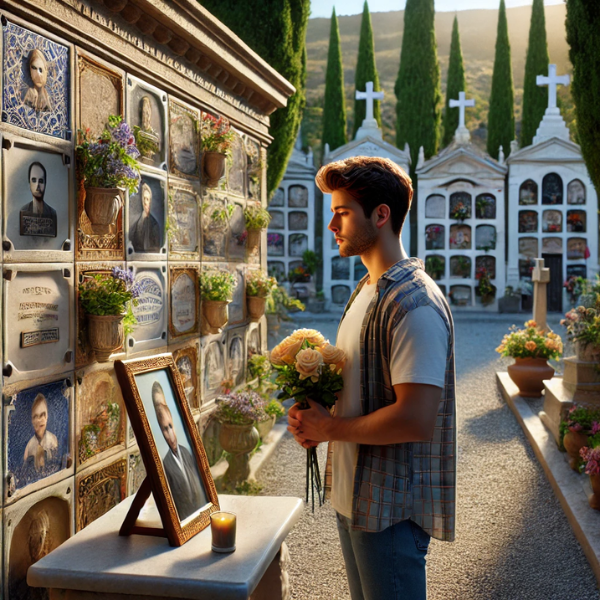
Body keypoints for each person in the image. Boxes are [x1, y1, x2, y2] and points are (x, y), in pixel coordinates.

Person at [287, 156, 456, 600]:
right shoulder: (367, 289)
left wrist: (331, 428)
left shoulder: (414, 303)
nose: (332, 225)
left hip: (391, 511)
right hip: (356, 496)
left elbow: (415, 419)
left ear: (381, 215)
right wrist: (314, 413)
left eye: (342, 213)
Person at [151, 381, 207, 521]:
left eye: (171, 426)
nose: (171, 435)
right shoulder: (165, 464)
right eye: (165, 429)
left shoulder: (187, 453)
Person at [20, 161, 57, 237]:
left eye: (41, 181)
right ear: (29, 183)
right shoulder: (23, 210)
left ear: (45, 183)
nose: (37, 186)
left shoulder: (52, 213)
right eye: (34, 180)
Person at [23, 393, 58, 472]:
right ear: (32, 420)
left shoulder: (53, 440)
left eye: (43, 415)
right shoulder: (29, 447)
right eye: (36, 416)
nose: (40, 420)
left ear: (47, 417)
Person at [131, 182, 161, 252]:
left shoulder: (155, 224)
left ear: (150, 201)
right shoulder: (136, 224)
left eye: (147, 199)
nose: (145, 202)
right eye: (144, 199)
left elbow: (156, 248)